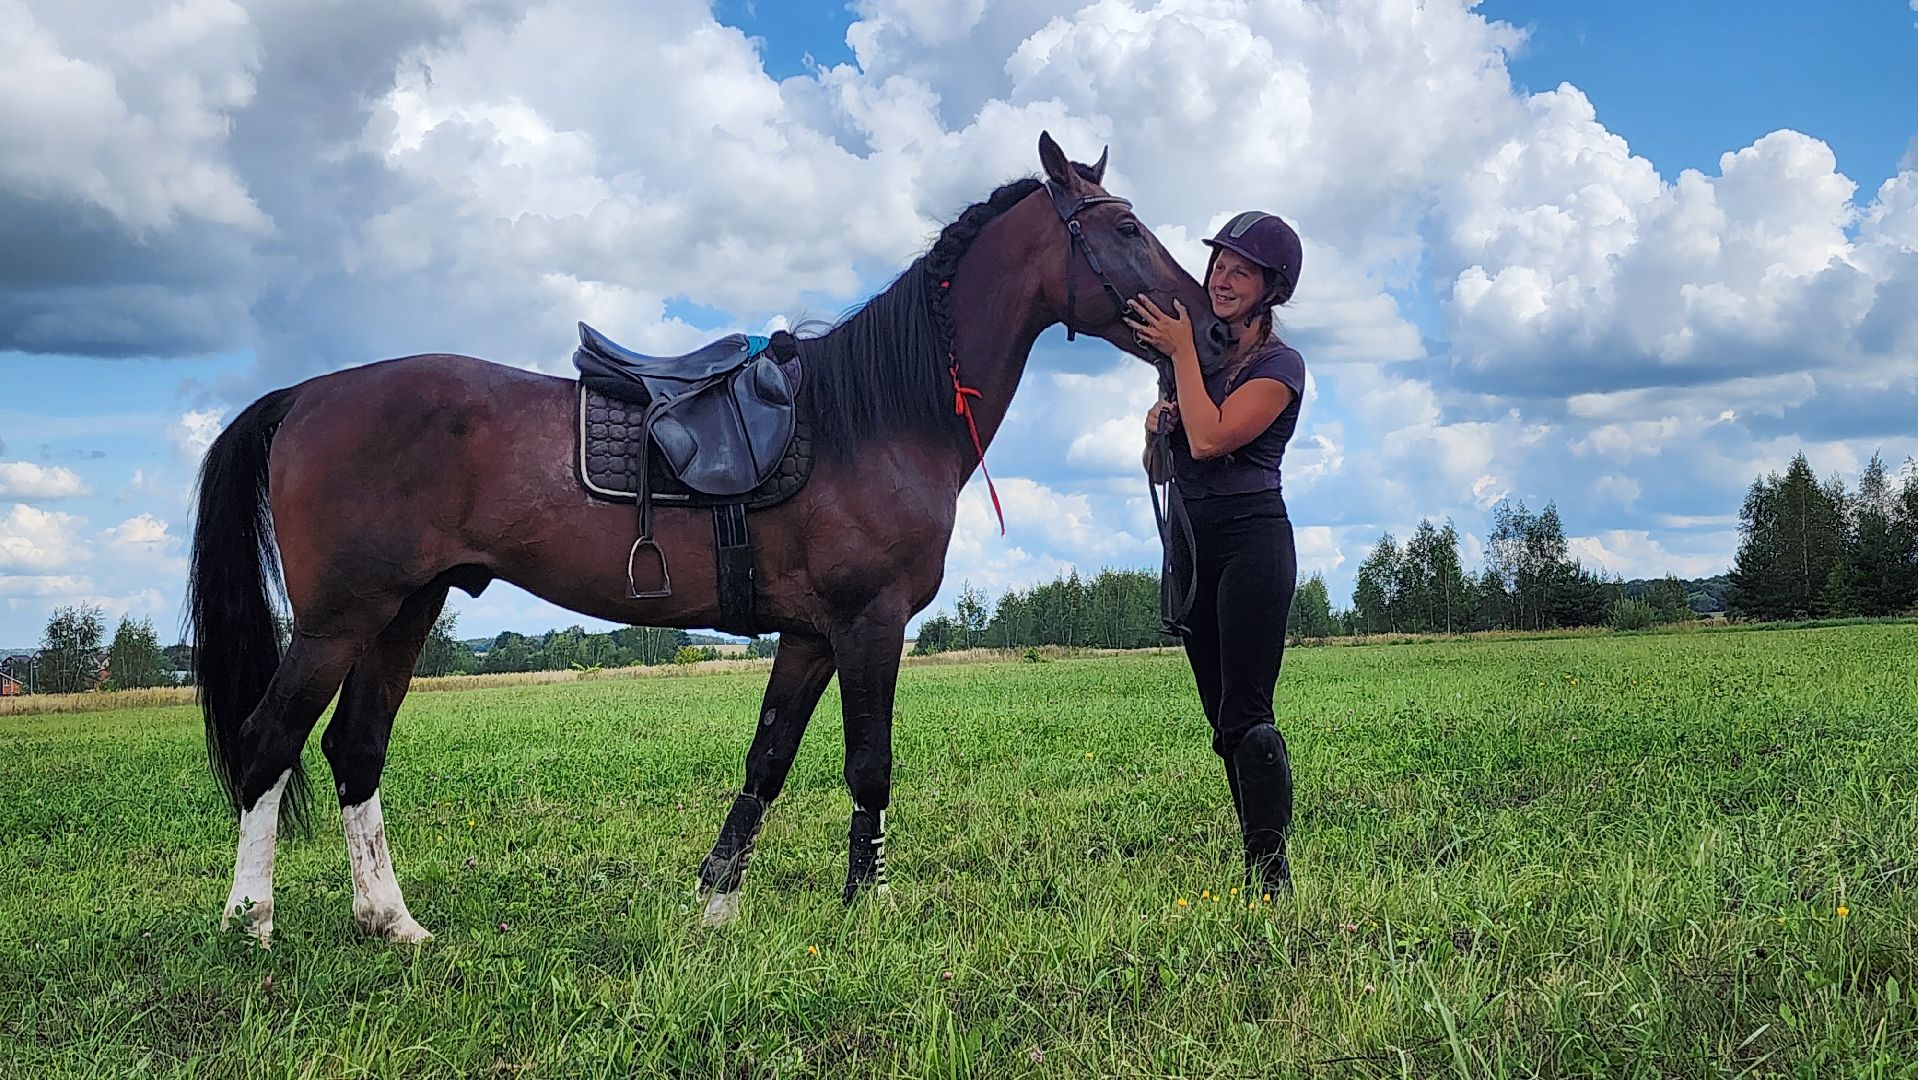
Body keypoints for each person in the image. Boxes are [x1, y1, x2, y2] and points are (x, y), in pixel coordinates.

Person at [1125, 210, 1305, 895]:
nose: (1221, 280)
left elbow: (1213, 440)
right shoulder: (1195, 362)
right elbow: (1169, 466)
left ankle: (1271, 870)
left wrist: (1177, 362)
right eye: (1219, 266)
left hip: (1254, 538)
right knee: (1220, 723)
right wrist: (1155, 430)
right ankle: (1257, 854)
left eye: (1240, 271)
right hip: (1193, 544)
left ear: (1271, 289)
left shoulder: (1281, 364)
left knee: (1247, 714)